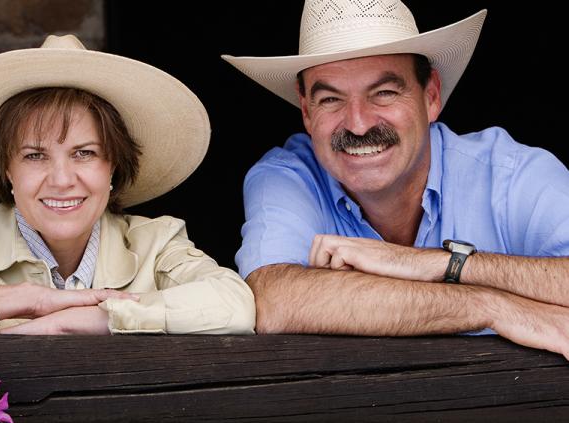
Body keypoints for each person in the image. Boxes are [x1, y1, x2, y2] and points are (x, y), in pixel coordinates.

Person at [222, 0, 569, 357]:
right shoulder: (287, 177)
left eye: (384, 93)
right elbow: (274, 300)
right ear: (307, 111)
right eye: (330, 99)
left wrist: (435, 264)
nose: (358, 124)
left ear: (431, 96)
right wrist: (491, 305)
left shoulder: (512, 174)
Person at [0, 35, 255, 336]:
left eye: (84, 153)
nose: (61, 180)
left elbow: (235, 306)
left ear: (113, 166)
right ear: (7, 170)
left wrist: (95, 318)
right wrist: (23, 300)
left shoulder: (155, 244)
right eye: (35, 155)